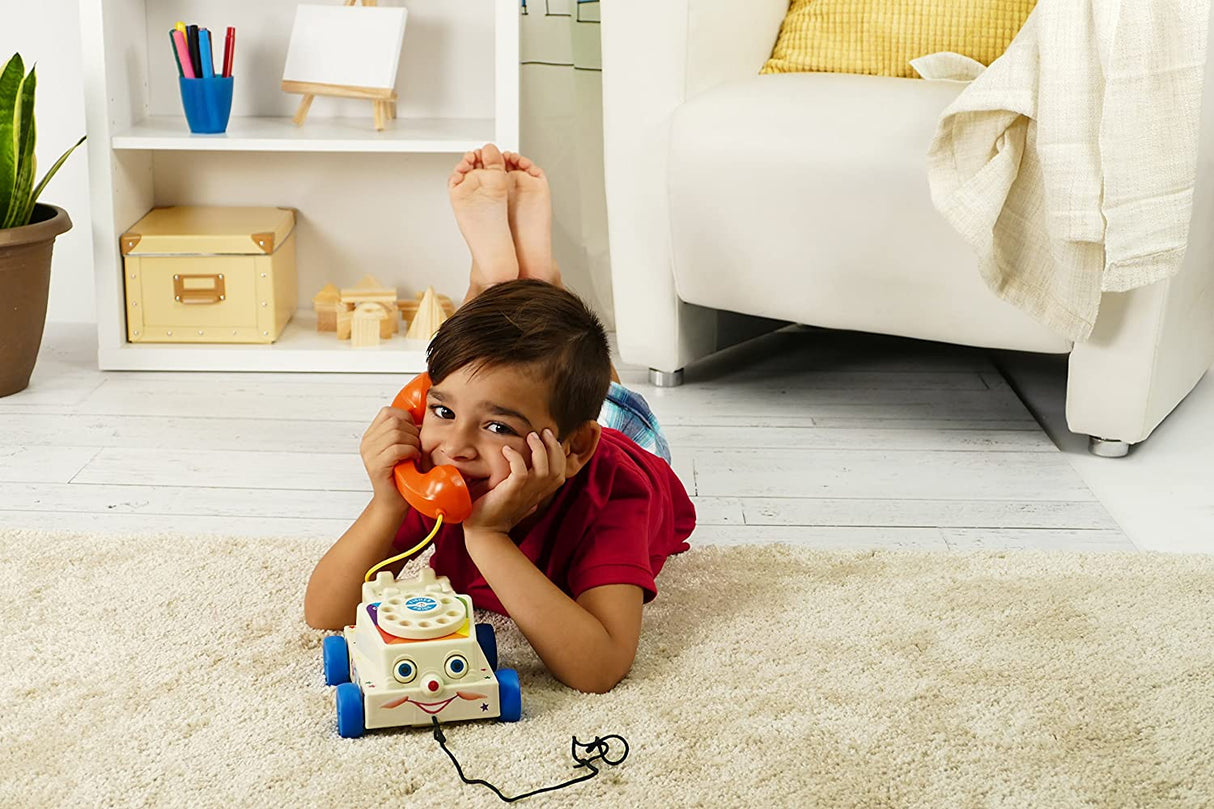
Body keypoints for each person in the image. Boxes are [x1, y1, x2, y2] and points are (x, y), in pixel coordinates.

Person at [304, 144, 696, 694]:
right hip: (558, 421)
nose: (455, 446)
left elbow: (600, 667)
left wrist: (487, 535)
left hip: (629, 444)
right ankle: (514, 281)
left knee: (603, 393)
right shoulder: (445, 467)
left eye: (497, 427)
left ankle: (534, 278)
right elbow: (326, 613)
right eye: (439, 410)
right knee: (499, 371)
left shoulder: (617, 500)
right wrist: (387, 499)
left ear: (576, 448)